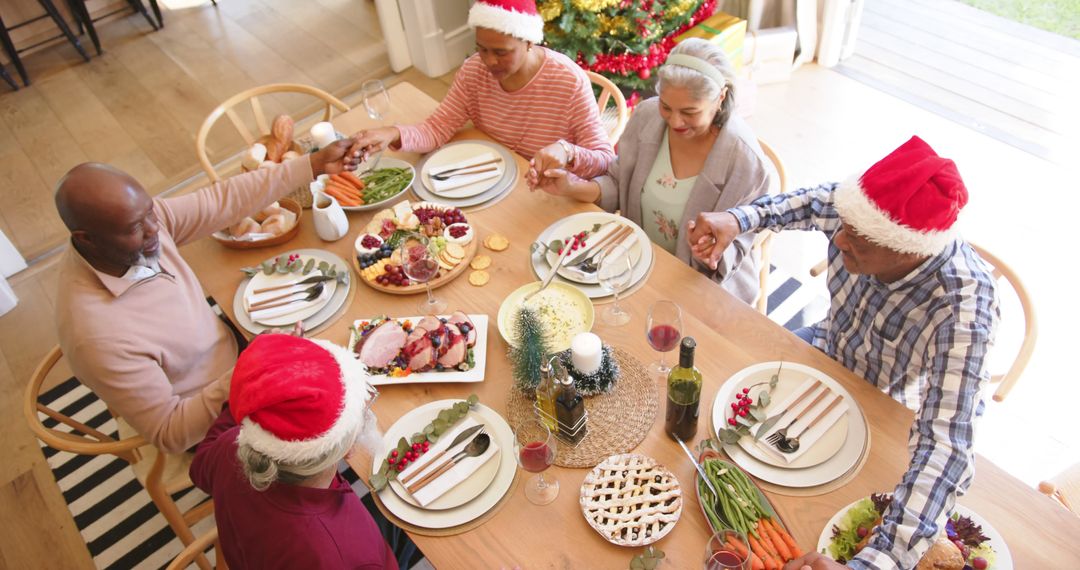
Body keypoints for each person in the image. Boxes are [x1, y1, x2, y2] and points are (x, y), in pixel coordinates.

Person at [691, 136, 1000, 569]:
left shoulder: (964, 307)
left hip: (888, 410)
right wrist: (739, 218)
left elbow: (946, 445)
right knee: (727, 423)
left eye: (858, 239)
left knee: (812, 515)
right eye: (843, 225)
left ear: (908, 250)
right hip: (824, 348)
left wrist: (872, 563)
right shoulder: (856, 218)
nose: (838, 239)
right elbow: (808, 202)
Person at [53, 140, 362, 454]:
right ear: (86, 239)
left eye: (151, 213)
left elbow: (221, 201)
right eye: (136, 227)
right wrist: (248, 371)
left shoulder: (140, 224)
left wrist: (313, 164)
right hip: (214, 419)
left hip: (235, 356)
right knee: (347, 403)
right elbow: (170, 432)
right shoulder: (96, 336)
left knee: (345, 342)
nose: (153, 230)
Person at [530, 38, 769, 305]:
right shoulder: (646, 117)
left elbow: (735, 250)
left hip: (708, 288)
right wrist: (571, 186)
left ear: (720, 98)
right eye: (666, 106)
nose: (674, 121)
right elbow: (618, 184)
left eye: (690, 112)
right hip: (637, 267)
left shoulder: (745, 162)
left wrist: (709, 249)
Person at [190, 334, 400, 569]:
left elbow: (199, 467)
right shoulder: (349, 552)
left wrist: (261, 395)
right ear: (346, 449)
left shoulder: (230, 445)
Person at [353, 0, 615, 181]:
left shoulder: (569, 82)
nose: (489, 62)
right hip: (488, 176)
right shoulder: (473, 71)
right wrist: (392, 133)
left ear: (528, 42)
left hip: (546, 190)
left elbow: (604, 160)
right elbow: (437, 128)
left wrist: (567, 153)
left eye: (501, 52)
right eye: (482, 48)